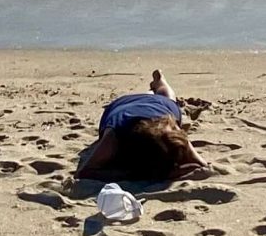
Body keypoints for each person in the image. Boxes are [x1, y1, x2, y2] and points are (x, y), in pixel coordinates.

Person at [77, 69, 208, 184]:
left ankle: (160, 82)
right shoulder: (115, 135)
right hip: (122, 106)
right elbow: (85, 172)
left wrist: (166, 174)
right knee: (167, 98)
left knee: (169, 99)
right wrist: (134, 175)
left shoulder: (171, 130)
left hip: (160, 107)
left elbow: (202, 165)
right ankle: (157, 85)